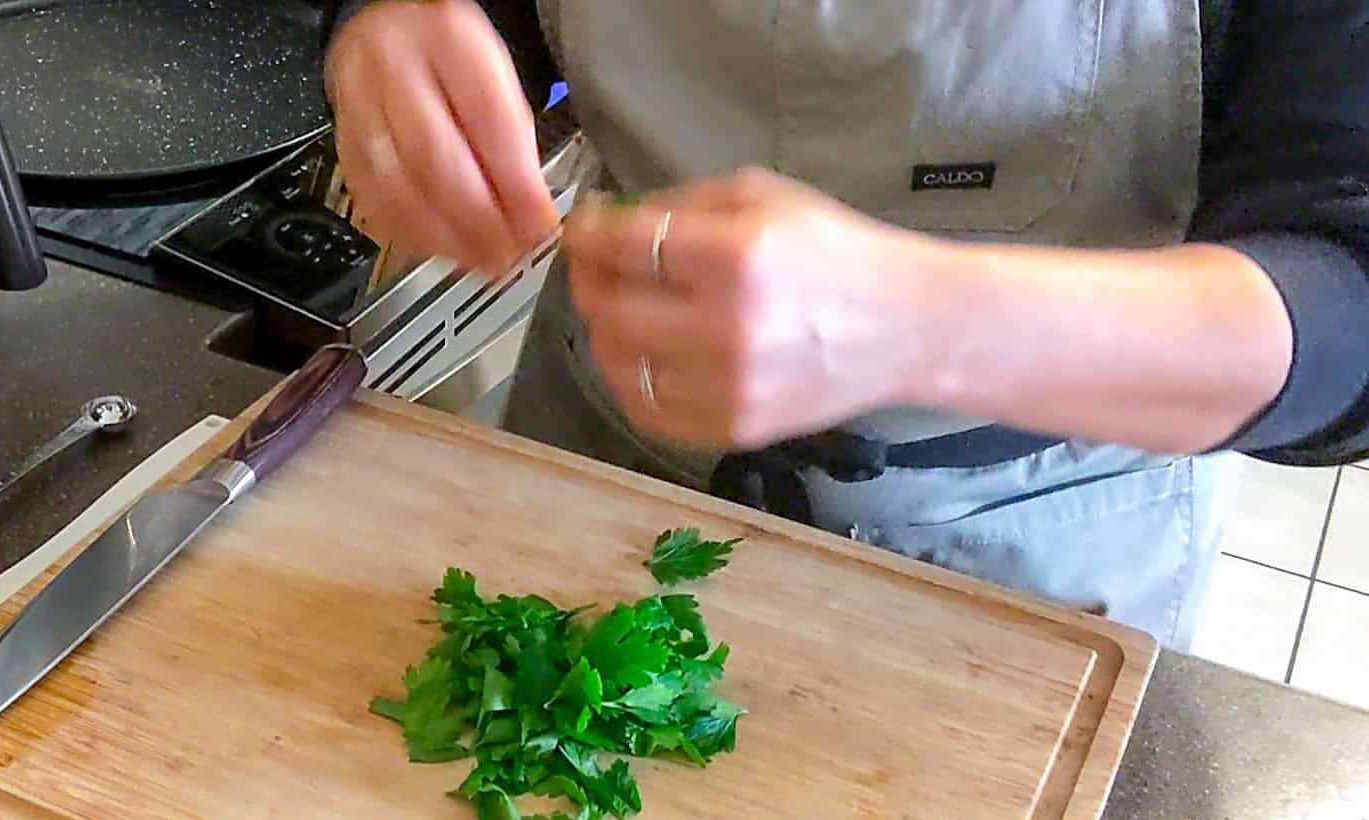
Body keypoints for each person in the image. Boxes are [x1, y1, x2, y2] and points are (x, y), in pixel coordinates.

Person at [319, 0, 1369, 649]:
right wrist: (386, 20)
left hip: (1030, 557)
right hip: (598, 460)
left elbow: (1344, 288)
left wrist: (937, 325)